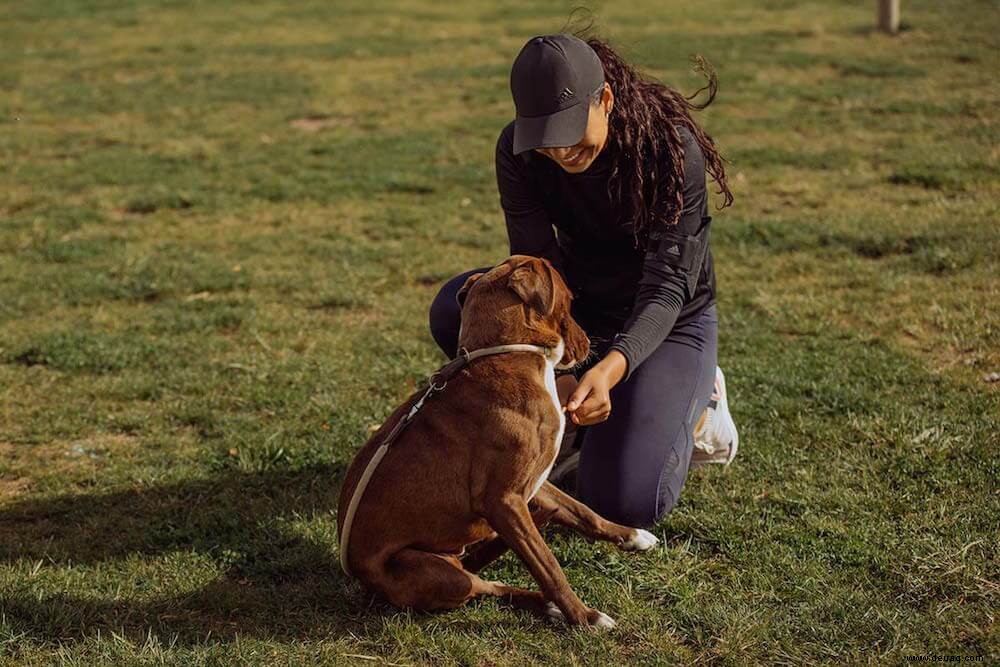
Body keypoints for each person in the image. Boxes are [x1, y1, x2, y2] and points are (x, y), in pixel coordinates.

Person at [428, 34, 738, 528]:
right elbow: (536, 262)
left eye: (571, 129)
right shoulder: (519, 152)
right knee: (455, 308)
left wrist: (609, 368)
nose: (561, 148)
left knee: (625, 502)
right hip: (581, 308)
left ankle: (702, 406)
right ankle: (583, 419)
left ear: (606, 101)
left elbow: (667, 288)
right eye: (546, 135)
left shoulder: (670, 149)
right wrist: (563, 363)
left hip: (670, 320)